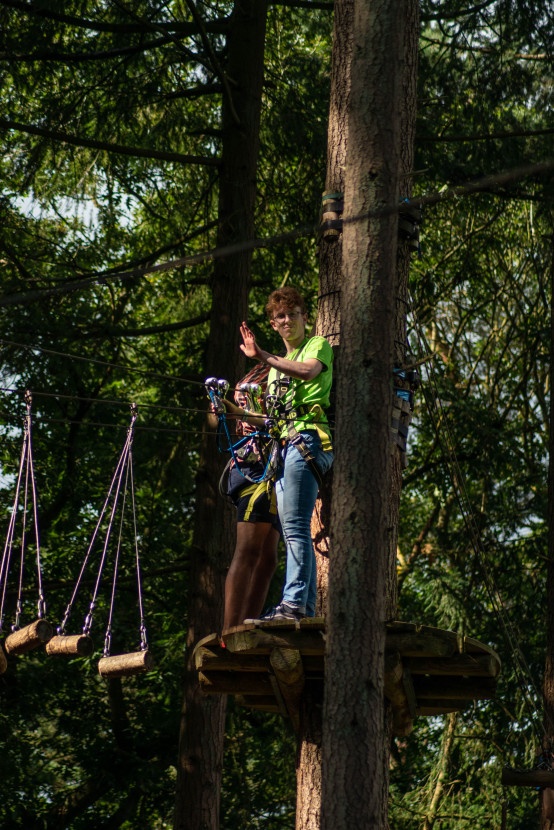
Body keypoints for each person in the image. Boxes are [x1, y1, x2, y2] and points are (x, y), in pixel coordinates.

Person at [236, 286, 334, 623]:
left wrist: (261, 355)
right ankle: (301, 608)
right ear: (275, 325)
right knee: (294, 529)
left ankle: (292, 604)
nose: (288, 320)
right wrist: (232, 410)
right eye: (281, 316)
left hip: (307, 441)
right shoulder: (276, 369)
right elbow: (270, 420)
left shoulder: (316, 346)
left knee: (293, 529)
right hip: (284, 448)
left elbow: (308, 372)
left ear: (305, 318)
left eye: (293, 313)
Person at [211, 363, 281, 631]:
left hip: (273, 471)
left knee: (267, 558)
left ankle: (247, 626)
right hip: (256, 469)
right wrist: (219, 406)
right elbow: (224, 415)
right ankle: (231, 630)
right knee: (250, 551)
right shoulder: (260, 374)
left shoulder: (295, 367)